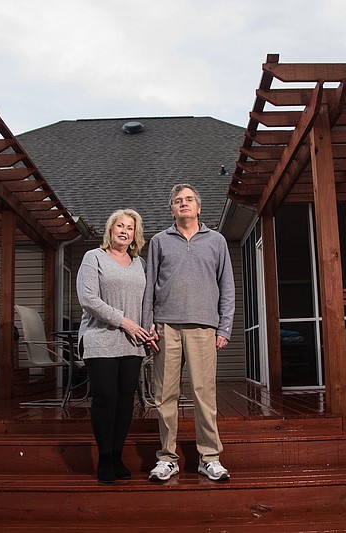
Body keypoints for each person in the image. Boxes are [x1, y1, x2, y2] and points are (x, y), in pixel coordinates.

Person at [142, 184, 235, 482]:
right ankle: (167, 459)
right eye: (177, 201)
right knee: (165, 395)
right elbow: (149, 286)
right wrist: (148, 325)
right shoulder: (159, 241)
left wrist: (225, 326)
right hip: (165, 327)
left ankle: (209, 457)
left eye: (189, 200)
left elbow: (228, 288)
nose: (183, 204)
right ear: (171, 210)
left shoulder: (217, 241)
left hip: (204, 327)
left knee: (203, 395)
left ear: (198, 207)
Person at [77, 209, 154, 484]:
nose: (124, 231)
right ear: (110, 230)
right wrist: (124, 322)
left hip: (132, 342)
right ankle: (105, 458)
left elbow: (148, 302)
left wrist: (149, 327)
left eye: (130, 228)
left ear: (135, 234)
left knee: (125, 400)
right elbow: (88, 299)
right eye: (119, 226)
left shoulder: (140, 264)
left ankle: (118, 454)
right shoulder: (93, 257)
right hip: (100, 339)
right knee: (105, 397)